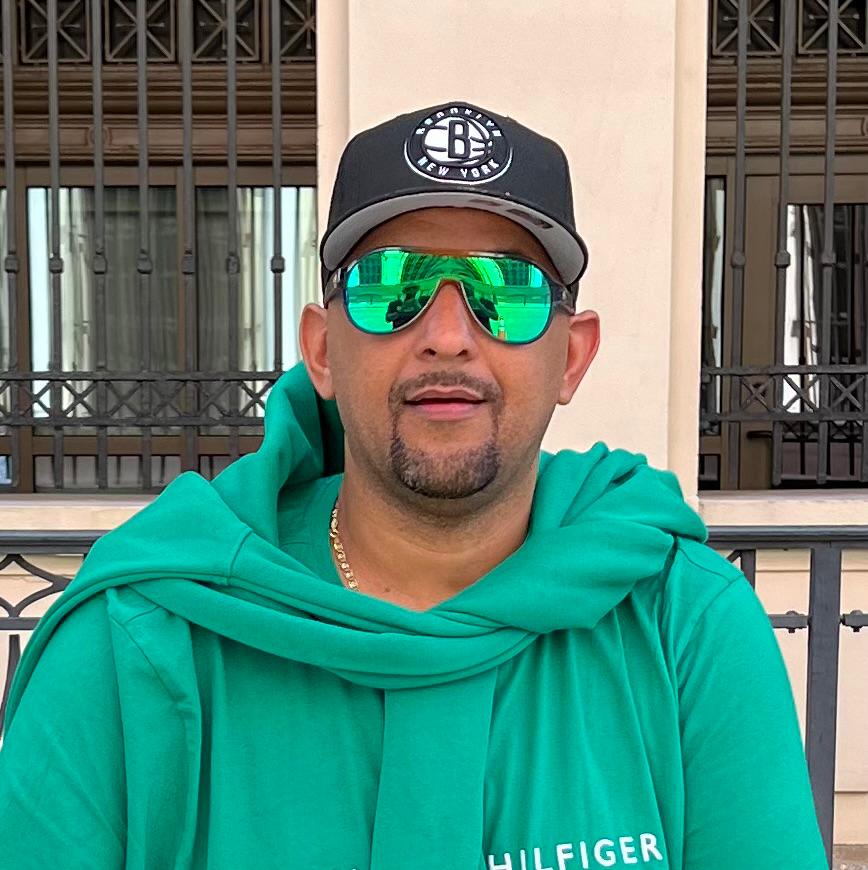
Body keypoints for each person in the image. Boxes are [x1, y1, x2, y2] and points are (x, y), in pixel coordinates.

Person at [0, 101, 827, 870]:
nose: (447, 336)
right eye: (391, 286)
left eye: (507, 290)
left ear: (572, 357)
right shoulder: (136, 639)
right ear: (322, 351)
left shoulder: (683, 625)